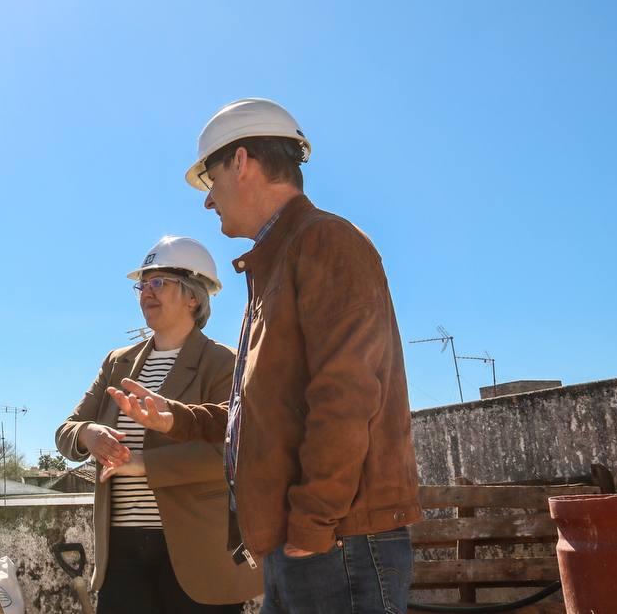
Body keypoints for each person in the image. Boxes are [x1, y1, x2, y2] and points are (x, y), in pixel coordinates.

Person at [109, 99, 421, 614]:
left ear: (242, 162)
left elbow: (346, 397)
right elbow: (272, 413)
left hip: (337, 543)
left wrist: (312, 524)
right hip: (303, 541)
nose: (208, 204)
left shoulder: (325, 242)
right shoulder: (274, 265)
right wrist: (179, 419)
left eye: (210, 181)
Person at [56, 237, 261, 614]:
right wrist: (88, 434)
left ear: (193, 297)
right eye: (142, 284)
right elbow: (67, 430)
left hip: (197, 554)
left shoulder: (222, 363)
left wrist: (143, 465)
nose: (146, 293)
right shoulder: (117, 363)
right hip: (121, 552)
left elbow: (233, 451)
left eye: (159, 283)